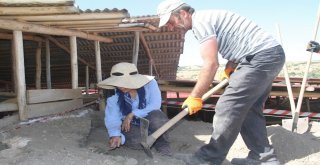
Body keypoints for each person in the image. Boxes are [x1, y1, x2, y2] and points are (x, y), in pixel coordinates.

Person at [157, 0, 285, 164]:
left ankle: (208, 158)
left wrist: (195, 96)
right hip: (270, 55)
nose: (170, 26)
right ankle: (263, 158)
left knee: (227, 106)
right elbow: (238, 42)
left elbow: (210, 64)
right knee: (249, 108)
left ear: (182, 13)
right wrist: (230, 68)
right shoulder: (208, 18)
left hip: (260, 57)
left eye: (170, 21)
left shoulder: (200, 22)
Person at [97, 62, 172, 156]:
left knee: (158, 118)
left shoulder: (150, 84)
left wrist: (133, 114)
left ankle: (162, 144)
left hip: (151, 118)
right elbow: (112, 117)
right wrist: (115, 135)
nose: (120, 86)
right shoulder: (114, 96)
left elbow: (155, 104)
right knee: (136, 142)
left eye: (124, 82)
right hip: (131, 125)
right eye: (117, 83)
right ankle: (147, 138)